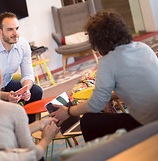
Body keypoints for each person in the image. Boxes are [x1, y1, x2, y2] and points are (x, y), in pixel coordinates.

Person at [52, 10, 158, 142]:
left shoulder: (108, 62)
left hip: (149, 127)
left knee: (89, 120)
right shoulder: (143, 47)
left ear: (97, 41)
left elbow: (95, 105)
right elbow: (138, 85)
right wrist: (109, 97)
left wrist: (68, 111)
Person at [0, 59, 59, 160]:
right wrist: (47, 138)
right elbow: (32, 155)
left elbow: (1, 135)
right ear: (1, 80)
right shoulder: (14, 110)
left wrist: (39, 124)